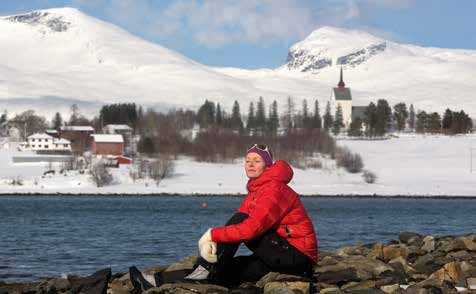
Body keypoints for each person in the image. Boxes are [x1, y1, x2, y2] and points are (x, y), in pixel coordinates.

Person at [130, 144, 318, 290]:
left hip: (297, 258)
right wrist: (215, 244)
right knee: (227, 270)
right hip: (280, 257)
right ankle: (155, 281)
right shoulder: (256, 190)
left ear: (268, 165)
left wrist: (212, 235)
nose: (250, 164)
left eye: (257, 160)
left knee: (239, 222)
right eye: (247, 160)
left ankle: (204, 271)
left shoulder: (274, 189)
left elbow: (250, 229)